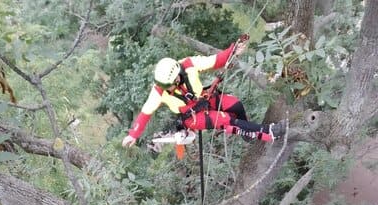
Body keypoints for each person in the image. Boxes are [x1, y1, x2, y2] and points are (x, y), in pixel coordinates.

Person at [122, 37, 285, 148]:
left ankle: (247, 133)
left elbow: (216, 60)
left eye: (169, 86)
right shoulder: (158, 90)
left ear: (177, 77)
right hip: (191, 117)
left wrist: (233, 49)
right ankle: (269, 133)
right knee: (226, 120)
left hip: (205, 100)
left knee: (235, 105)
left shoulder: (188, 64)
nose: (166, 90)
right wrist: (133, 135)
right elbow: (145, 113)